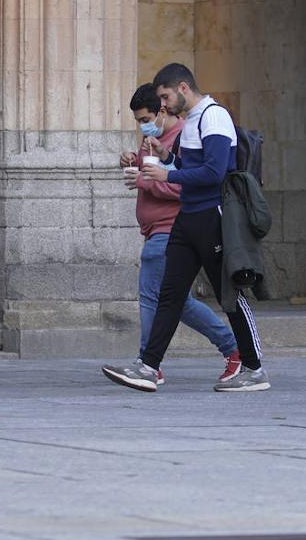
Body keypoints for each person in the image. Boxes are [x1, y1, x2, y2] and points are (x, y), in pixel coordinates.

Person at [102, 63, 268, 393]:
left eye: (164, 97)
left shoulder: (213, 116)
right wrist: (167, 157)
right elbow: (188, 166)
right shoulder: (192, 121)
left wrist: (169, 174)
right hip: (188, 218)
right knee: (170, 293)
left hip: (212, 217)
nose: (162, 105)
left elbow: (215, 172)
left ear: (182, 88)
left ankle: (253, 367)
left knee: (229, 294)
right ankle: (148, 366)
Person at [118, 83, 241, 385]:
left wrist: (147, 180)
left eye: (147, 117)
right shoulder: (154, 138)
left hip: (172, 227)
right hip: (160, 229)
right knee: (175, 300)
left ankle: (148, 364)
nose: (143, 126)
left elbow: (186, 181)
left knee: (155, 296)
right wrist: (134, 163)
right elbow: (161, 171)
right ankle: (232, 349)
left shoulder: (193, 128)